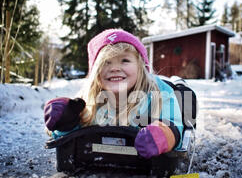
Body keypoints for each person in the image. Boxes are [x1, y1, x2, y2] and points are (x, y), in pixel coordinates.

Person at [44, 29, 184, 159]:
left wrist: (164, 134)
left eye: (125, 61)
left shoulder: (159, 93)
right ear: (95, 73)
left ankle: (179, 84)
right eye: (106, 62)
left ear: (140, 67)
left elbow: (175, 124)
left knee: (184, 97)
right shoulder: (89, 99)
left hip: (168, 89)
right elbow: (67, 138)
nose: (115, 68)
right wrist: (65, 121)